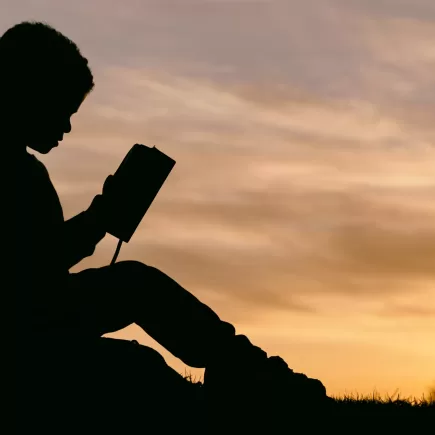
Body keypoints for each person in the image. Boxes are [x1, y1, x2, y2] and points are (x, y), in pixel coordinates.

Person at [9, 21, 327, 433]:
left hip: (31, 327)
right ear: (31, 91)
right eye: (63, 110)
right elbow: (36, 276)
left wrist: (99, 218)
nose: (67, 128)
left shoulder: (23, 170)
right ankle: (256, 383)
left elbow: (38, 264)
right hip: (23, 340)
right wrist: (100, 219)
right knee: (139, 346)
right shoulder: (19, 174)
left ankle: (249, 380)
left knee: (136, 305)